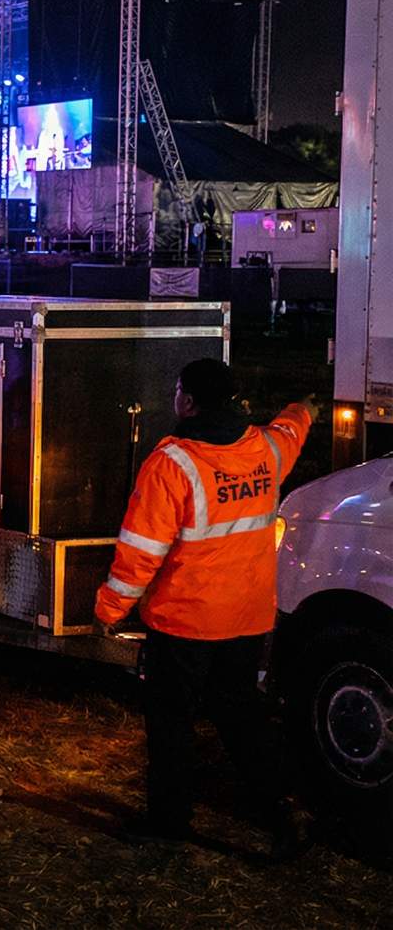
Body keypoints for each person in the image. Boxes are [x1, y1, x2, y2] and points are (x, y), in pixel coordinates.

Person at [94, 358, 315, 855]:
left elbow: (140, 552)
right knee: (243, 720)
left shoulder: (173, 464)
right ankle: (279, 815)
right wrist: (305, 408)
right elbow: (291, 431)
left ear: (188, 401)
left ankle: (170, 822)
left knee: (171, 725)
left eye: (177, 391)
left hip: (186, 623)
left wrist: (109, 610)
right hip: (249, 619)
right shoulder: (264, 450)